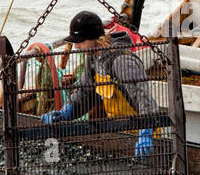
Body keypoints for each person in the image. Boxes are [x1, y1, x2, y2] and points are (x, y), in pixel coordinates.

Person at [40, 11, 159, 159]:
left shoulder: (122, 61)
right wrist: (65, 113)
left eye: (80, 41)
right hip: (119, 133)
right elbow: (85, 93)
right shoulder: (93, 59)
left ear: (94, 38)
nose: (76, 46)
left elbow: (144, 100)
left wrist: (145, 134)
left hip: (144, 139)